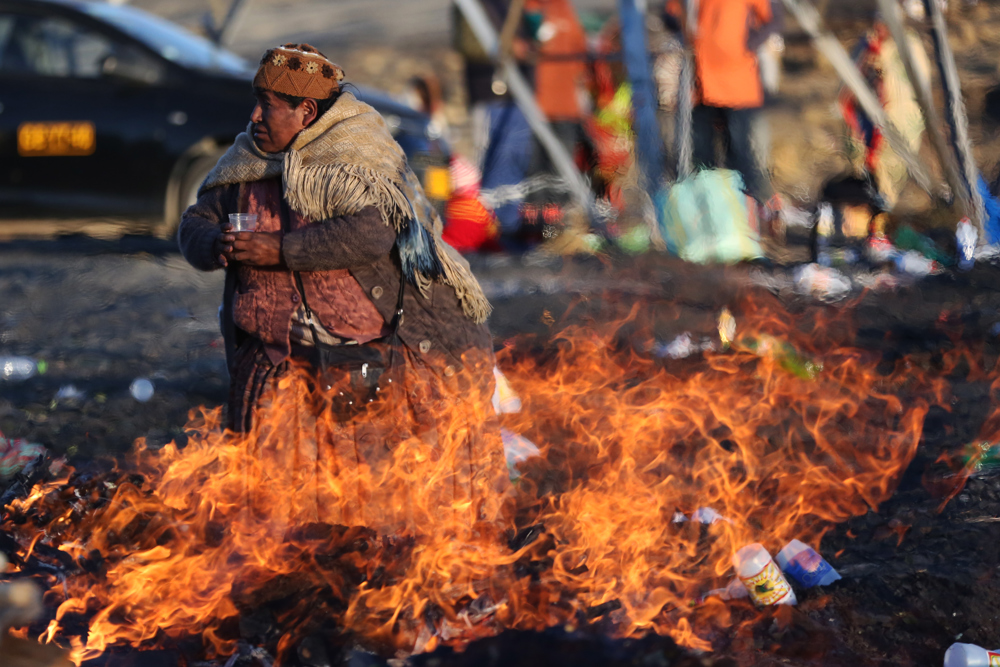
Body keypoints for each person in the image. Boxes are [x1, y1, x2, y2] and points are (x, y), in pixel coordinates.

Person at [177, 44, 509, 533]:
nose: (254, 116)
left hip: (372, 371)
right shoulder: (243, 164)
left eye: (267, 104)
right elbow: (193, 223)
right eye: (257, 100)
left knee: (389, 518)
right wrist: (213, 242)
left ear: (305, 111)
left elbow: (371, 232)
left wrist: (279, 249)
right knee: (278, 527)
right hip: (278, 374)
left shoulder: (356, 160)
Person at [669, 0, 780, 222]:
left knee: (741, 154)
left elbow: (774, 18)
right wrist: (686, 33)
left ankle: (748, 217)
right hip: (699, 84)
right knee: (701, 155)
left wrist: (747, 45)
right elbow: (670, 14)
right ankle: (710, 217)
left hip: (738, 84)